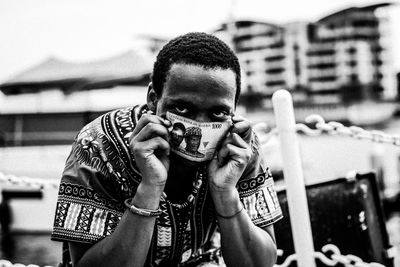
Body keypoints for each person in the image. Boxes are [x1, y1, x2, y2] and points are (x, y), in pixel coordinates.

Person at [51, 32, 283, 267]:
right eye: (182, 108)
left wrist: (225, 193)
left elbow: (260, 263)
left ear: (234, 109)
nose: (198, 127)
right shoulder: (98, 143)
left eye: (218, 113)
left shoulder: (240, 146)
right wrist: (150, 187)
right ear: (153, 99)